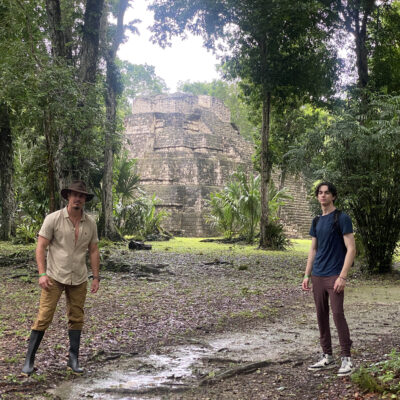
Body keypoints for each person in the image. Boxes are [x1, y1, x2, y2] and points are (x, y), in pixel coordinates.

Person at [22, 180, 100, 376]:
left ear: (85, 200)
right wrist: (42, 273)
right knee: (44, 317)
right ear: (67, 196)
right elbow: (41, 246)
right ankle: (29, 360)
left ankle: (73, 359)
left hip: (79, 278)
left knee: (77, 318)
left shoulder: (90, 223)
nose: (78, 199)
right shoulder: (53, 219)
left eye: (81, 196)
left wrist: (96, 277)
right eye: (74, 195)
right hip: (54, 277)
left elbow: (93, 250)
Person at [302, 182, 356, 377]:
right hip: (318, 275)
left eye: (327, 193)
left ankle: (347, 359)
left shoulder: (341, 218)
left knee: (338, 315)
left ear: (333, 196)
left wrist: (343, 276)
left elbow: (351, 248)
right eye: (320, 193)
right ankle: (327, 355)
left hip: (334, 275)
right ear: (317, 197)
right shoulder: (316, 221)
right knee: (321, 315)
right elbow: (313, 249)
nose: (323, 196)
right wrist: (307, 274)